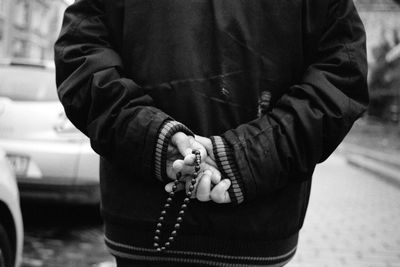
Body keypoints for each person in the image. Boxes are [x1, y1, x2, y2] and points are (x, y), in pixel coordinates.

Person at [54, 0, 368, 266]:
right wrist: (241, 159)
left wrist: (161, 142)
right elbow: (342, 74)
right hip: (254, 224)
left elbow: (80, 55)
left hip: (149, 220)